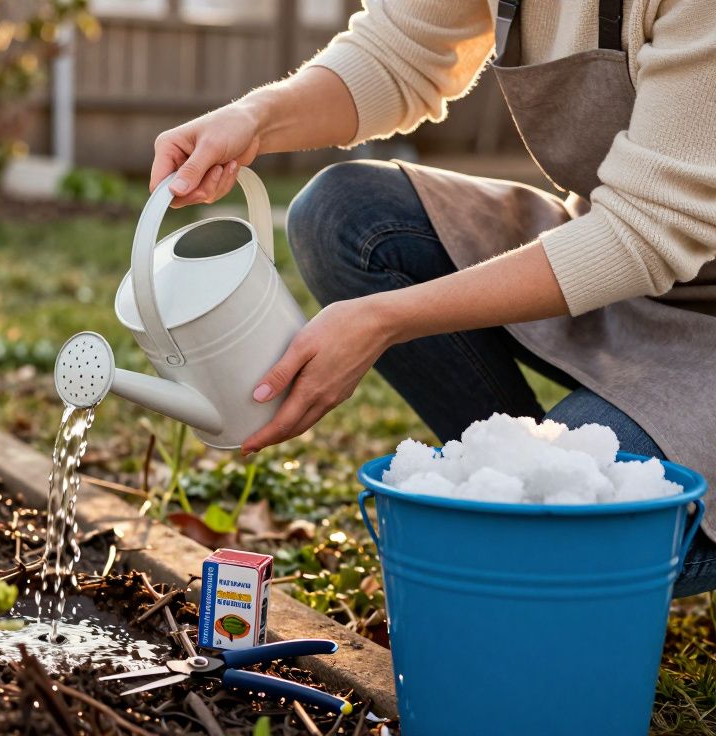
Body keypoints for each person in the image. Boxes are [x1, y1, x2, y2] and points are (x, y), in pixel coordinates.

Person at [149, 0, 716, 596]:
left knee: (559, 523)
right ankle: (516, 497)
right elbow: (399, 51)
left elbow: (649, 230)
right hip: (609, 269)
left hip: (683, 297)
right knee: (343, 216)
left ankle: (542, 540)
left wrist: (387, 319)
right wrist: (254, 119)